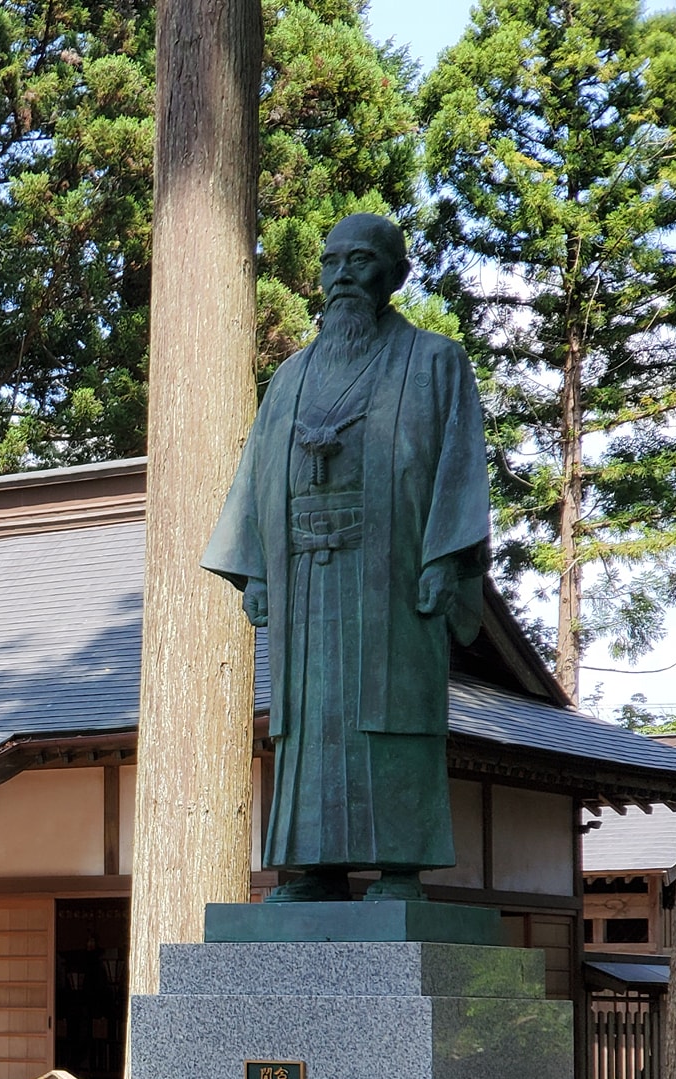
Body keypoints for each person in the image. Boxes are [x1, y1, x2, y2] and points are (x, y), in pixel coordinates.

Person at [202, 213, 489, 903]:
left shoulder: (435, 362)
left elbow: (458, 471)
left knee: (392, 711)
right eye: (332, 263)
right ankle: (312, 869)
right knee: (308, 721)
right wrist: (260, 571)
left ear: (395, 274)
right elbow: (259, 478)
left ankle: (399, 868)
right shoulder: (291, 377)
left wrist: (444, 560)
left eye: (360, 262)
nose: (343, 277)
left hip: (391, 575)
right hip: (304, 576)